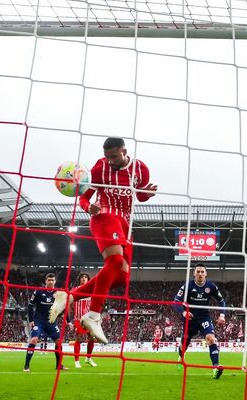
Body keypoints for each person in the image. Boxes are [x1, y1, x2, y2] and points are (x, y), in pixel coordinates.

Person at [49, 137, 157, 344]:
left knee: (120, 279)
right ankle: (94, 315)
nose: (109, 160)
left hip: (126, 224)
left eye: (113, 156)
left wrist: (147, 194)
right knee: (115, 261)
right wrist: (87, 207)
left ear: (124, 152)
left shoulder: (141, 169)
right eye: (106, 156)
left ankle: (70, 296)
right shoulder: (99, 168)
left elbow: (140, 195)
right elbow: (84, 196)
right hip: (104, 216)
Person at [173, 264, 227, 379]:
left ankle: (216, 368)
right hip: (190, 319)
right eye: (198, 272)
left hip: (204, 317)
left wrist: (222, 315)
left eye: (202, 272)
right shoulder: (188, 285)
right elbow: (176, 301)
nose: (200, 274)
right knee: (184, 345)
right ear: (194, 273)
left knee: (211, 339)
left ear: (206, 273)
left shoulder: (211, 286)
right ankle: (181, 357)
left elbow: (221, 301)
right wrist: (183, 312)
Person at [25, 273, 66, 371]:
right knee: (34, 339)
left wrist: (66, 319)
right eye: (49, 280)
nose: (51, 282)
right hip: (39, 321)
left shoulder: (58, 293)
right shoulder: (38, 291)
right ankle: (26, 366)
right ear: (45, 281)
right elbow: (30, 306)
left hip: (51, 322)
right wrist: (31, 320)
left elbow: (63, 307)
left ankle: (58, 365)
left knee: (59, 341)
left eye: (52, 280)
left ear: (55, 281)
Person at [71, 273, 97, 369]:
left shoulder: (92, 290)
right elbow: (70, 303)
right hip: (78, 318)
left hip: (89, 319)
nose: (83, 279)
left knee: (91, 338)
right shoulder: (75, 290)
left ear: (88, 279)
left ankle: (88, 358)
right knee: (79, 338)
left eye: (85, 277)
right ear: (79, 279)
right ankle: (77, 361)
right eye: (82, 277)